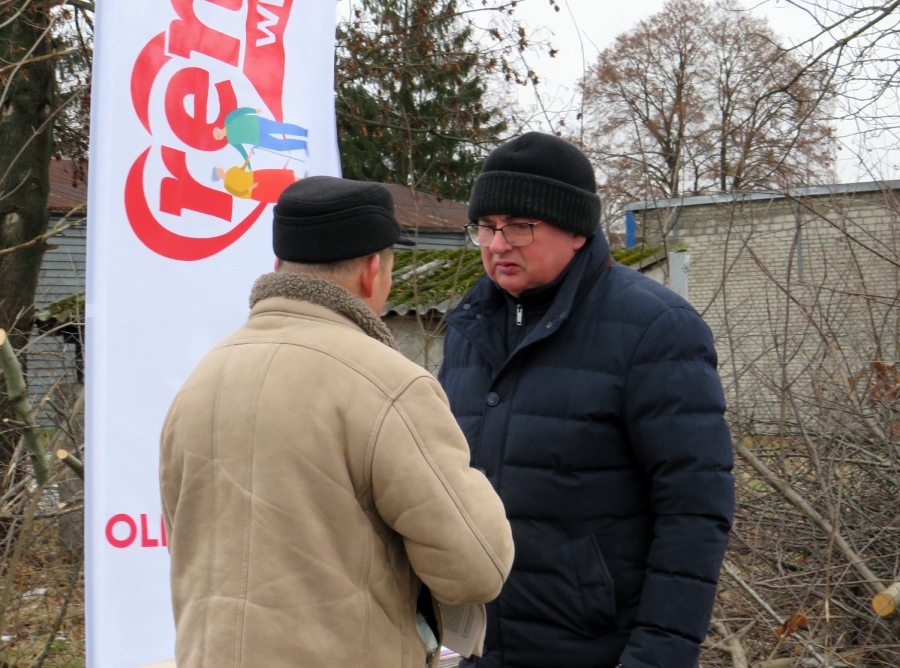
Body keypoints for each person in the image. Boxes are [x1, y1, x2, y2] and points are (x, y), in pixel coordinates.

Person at [160, 176, 515, 668]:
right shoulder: (388, 385)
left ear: (279, 266)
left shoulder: (201, 380)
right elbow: (477, 567)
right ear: (372, 271)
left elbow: (184, 536)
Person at [439, 132, 734, 668]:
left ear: (576, 230)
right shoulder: (467, 328)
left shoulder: (656, 328)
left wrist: (658, 656)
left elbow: (694, 510)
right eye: (485, 226)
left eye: (519, 226)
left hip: (596, 648)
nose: (497, 245)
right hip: (475, 649)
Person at [212, 107, 308, 161]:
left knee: (280, 128)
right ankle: (303, 145)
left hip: (258, 124)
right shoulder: (231, 140)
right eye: (218, 138)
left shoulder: (228, 120)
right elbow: (241, 151)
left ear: (218, 129)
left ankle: (304, 132)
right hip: (258, 139)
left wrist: (254, 111)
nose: (220, 137)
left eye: (217, 135)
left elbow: (240, 112)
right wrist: (248, 165)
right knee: (279, 146)